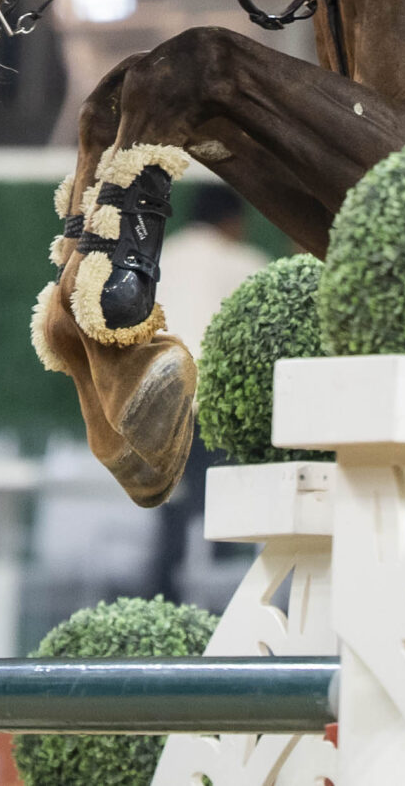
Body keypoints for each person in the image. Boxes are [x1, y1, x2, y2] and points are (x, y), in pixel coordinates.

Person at [147, 186, 268, 602]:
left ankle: (163, 601)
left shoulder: (162, 260)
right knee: (224, 507)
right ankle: (231, 603)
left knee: (172, 511)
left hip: (158, 406)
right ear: (231, 221)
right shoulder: (238, 261)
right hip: (207, 405)